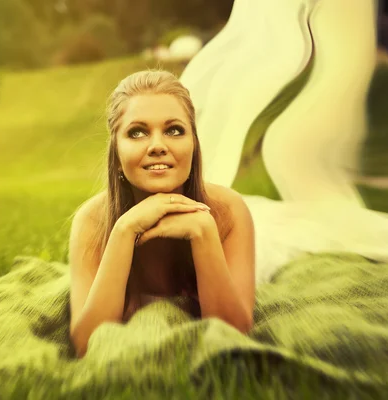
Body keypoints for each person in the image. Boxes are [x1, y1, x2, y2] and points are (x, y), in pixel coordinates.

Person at [68, 70, 256, 358]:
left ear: (194, 145)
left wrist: (204, 232)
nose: (157, 146)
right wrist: (123, 232)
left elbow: (235, 335)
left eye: (174, 130)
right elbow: (86, 345)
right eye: (137, 132)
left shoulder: (228, 212)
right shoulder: (92, 221)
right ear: (116, 153)